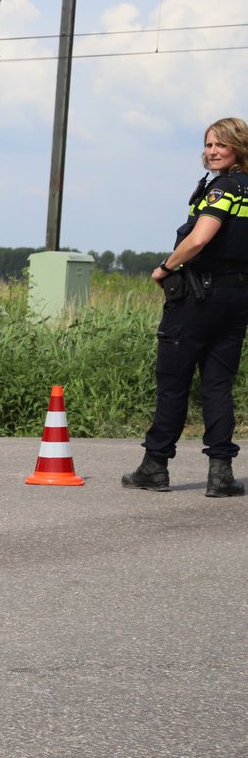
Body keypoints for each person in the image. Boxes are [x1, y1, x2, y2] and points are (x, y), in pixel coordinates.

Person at [122, 117, 248, 498]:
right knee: (218, 383)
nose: (211, 152)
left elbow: (199, 239)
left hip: (199, 298)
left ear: (237, 149)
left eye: (219, 145)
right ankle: (221, 474)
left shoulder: (223, 189)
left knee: (174, 382)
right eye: (208, 145)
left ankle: (155, 466)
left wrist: (166, 267)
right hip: (237, 297)